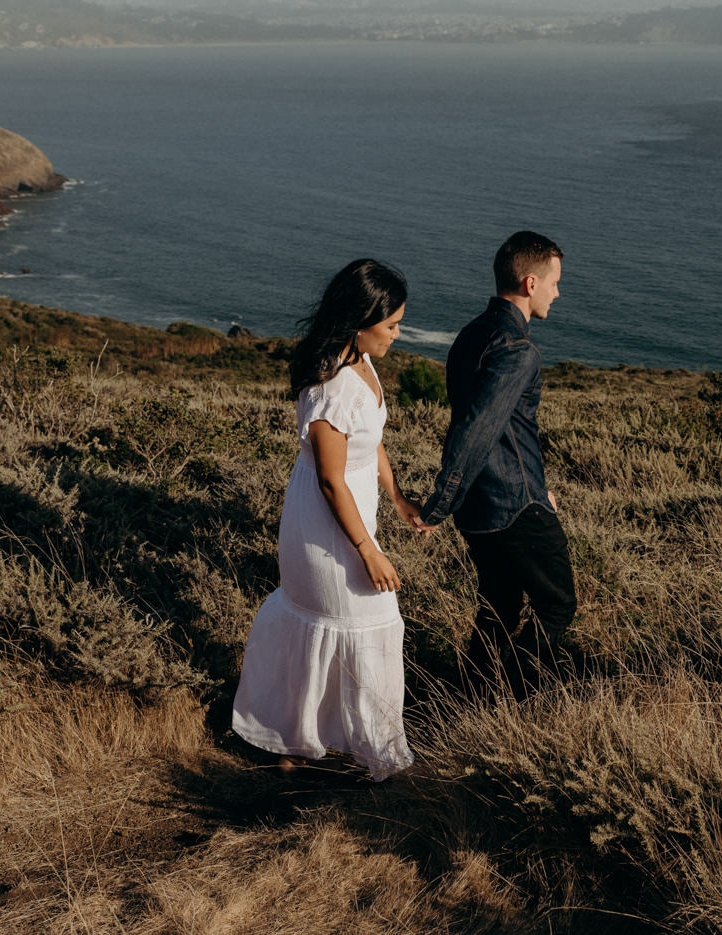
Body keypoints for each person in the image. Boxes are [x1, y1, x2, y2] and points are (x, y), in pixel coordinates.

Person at [232, 258, 423, 781]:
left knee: (349, 628)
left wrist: (398, 497)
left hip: (351, 514)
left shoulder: (361, 359)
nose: (397, 335)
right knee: (362, 623)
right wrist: (369, 550)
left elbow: (372, 440)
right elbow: (331, 480)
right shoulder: (332, 387)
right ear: (359, 321)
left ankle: (308, 748)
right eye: (391, 325)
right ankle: (357, 754)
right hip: (326, 527)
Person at [415, 231, 577, 699]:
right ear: (530, 283)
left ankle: (473, 700)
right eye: (554, 282)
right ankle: (514, 698)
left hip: (482, 507)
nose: (557, 292)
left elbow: (497, 430)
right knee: (557, 604)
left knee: (500, 606)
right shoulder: (517, 351)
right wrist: (439, 504)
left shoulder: (471, 334)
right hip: (513, 506)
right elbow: (477, 431)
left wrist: (455, 501)